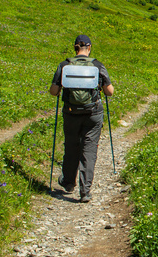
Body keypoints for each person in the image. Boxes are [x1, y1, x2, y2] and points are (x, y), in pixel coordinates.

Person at [48, 35, 115, 203]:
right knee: (89, 150)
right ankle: (85, 191)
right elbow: (109, 92)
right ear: (89, 47)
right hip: (93, 114)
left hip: (71, 112)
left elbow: (54, 91)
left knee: (71, 146)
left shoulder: (65, 65)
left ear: (75, 48)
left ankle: (68, 183)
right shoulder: (97, 65)